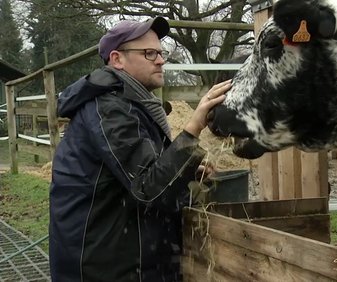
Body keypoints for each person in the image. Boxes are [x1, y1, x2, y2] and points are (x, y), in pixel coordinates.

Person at [49, 17, 231, 281]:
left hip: (126, 257)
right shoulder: (109, 110)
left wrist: (187, 170)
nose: (160, 60)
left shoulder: (132, 106)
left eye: (160, 52)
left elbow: (145, 173)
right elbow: (149, 189)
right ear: (117, 59)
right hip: (104, 267)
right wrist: (193, 127)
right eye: (149, 53)